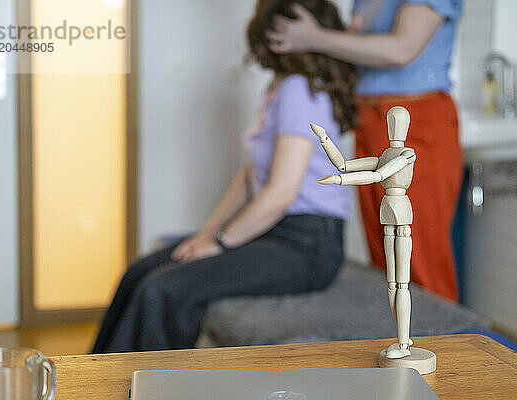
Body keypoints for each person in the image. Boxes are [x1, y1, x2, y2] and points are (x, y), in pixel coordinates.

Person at [92, 0, 358, 353]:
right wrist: (205, 236)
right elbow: (251, 179)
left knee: (163, 290)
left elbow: (279, 195)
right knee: (140, 272)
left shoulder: (299, 89)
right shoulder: (278, 89)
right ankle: (91, 380)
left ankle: (132, 388)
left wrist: (219, 244)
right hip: (277, 233)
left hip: (307, 245)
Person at [267, 0, 463, 301]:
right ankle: (399, 341)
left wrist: (313, 37)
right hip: (370, 121)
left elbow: (402, 50)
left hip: (414, 121)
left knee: (417, 255)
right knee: (385, 254)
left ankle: (444, 343)